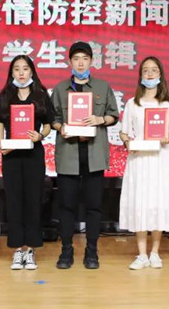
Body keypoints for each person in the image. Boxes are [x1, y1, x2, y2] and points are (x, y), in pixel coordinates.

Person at [50, 41, 119, 270]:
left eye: (85, 59)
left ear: (91, 61)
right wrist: (61, 127)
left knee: (94, 207)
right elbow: (53, 118)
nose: (80, 63)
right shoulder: (60, 89)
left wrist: (99, 119)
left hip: (94, 155)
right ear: (70, 61)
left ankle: (92, 252)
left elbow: (113, 115)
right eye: (76, 59)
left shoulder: (102, 86)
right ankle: (66, 251)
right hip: (68, 154)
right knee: (66, 206)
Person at [119, 57, 169, 270]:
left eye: (154, 70)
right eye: (145, 70)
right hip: (139, 159)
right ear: (140, 75)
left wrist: (168, 136)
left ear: (160, 74)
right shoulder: (132, 103)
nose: (149, 74)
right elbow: (124, 132)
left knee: (158, 202)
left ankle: (155, 252)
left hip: (159, 158)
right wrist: (127, 143)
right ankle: (141, 254)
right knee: (140, 203)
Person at [0, 55, 54, 270]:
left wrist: (40, 135)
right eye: (17, 69)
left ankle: (31, 250)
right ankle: (18, 250)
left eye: (25, 68)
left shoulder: (41, 94)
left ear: (31, 72)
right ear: (11, 73)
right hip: (11, 156)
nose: (21, 73)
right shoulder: (6, 94)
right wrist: (0, 145)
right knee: (14, 201)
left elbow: (48, 124)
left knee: (33, 200)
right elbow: (0, 124)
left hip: (33, 154)